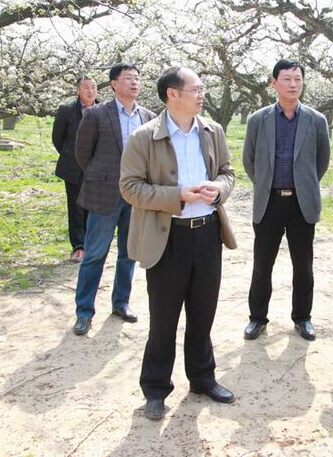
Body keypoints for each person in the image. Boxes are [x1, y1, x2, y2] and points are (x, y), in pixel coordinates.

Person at [119, 66, 237, 421]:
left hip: (207, 234)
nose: (201, 95)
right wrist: (178, 195)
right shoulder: (143, 137)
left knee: (203, 313)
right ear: (172, 94)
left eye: (202, 89)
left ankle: (202, 378)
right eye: (195, 89)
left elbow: (228, 173)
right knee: (164, 319)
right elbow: (129, 187)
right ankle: (156, 388)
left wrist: (219, 189)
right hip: (166, 236)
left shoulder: (212, 131)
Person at [242, 59, 330, 341]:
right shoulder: (258, 120)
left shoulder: (316, 120)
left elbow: (322, 162)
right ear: (274, 83)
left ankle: (302, 318)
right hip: (268, 202)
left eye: (298, 79)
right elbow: (249, 161)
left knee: (303, 265)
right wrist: (266, 184)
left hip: (301, 204)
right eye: (287, 79)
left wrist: (303, 185)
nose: (293, 84)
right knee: (262, 264)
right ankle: (257, 318)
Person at [71, 64, 155, 336]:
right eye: (128, 78)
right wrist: (102, 175)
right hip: (104, 194)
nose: (134, 83)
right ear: (114, 84)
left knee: (129, 253)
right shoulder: (96, 114)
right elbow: (82, 153)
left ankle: (121, 303)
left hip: (137, 195)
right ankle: (84, 311)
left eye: (137, 78)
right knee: (95, 253)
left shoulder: (149, 117)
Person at [52, 76, 99, 262]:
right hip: (74, 167)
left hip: (98, 167)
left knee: (94, 206)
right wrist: (71, 155)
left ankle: (93, 244)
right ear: (78, 90)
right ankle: (78, 246)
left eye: (93, 87)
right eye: (86, 87)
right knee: (76, 206)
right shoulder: (67, 111)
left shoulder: (104, 109)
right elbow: (58, 138)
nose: (90, 91)